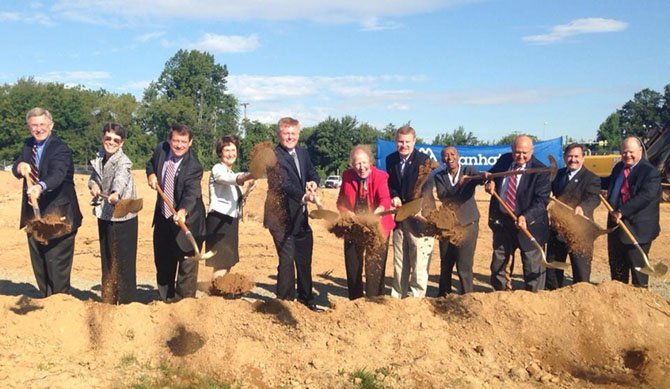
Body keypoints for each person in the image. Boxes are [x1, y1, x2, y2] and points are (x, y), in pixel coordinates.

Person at [12, 107, 83, 297]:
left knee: (56, 265)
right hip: (34, 217)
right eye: (34, 125)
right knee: (40, 264)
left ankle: (60, 307)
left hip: (58, 216)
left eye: (42, 124)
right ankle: (46, 304)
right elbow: (17, 165)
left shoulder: (60, 148)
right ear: (29, 127)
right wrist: (19, 166)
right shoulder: (28, 145)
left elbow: (58, 175)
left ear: (50, 125)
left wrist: (39, 186)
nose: (38, 129)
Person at [263, 117, 321, 311]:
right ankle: (284, 303)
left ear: (298, 134)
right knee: (287, 258)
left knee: (304, 258)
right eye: (286, 133)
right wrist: (304, 197)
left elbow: (312, 172)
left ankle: (306, 299)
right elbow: (282, 183)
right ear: (279, 134)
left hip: (300, 216)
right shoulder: (272, 156)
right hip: (280, 216)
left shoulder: (303, 153)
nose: (290, 137)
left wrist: (314, 182)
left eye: (293, 133)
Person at [146, 124, 206, 302]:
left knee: (187, 264)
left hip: (188, 219)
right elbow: (150, 164)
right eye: (176, 141)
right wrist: (151, 174)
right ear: (169, 140)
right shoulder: (161, 149)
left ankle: (183, 305)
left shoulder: (194, 166)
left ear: (190, 142)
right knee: (163, 262)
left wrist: (182, 211)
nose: (179, 145)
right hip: (163, 217)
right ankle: (166, 301)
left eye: (184, 142)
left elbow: (192, 193)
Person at [485, 135, 550, 292]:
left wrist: (525, 217)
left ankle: (533, 301)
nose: (520, 156)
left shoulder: (540, 170)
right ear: (512, 150)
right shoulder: (505, 160)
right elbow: (492, 175)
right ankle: (501, 296)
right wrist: (490, 182)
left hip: (529, 225)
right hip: (503, 223)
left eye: (524, 153)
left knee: (532, 267)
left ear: (532, 151)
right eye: (517, 152)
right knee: (499, 264)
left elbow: (542, 201)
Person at [336, 145, 395, 299]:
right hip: (354, 226)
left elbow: (385, 199)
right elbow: (340, 202)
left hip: (378, 226)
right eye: (357, 164)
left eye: (364, 163)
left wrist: (378, 212)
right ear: (352, 164)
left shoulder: (380, 176)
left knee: (374, 267)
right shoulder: (347, 176)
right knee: (353, 265)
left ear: (370, 161)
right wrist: (346, 212)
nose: (361, 167)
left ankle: (374, 301)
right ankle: (355, 301)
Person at [88, 123, 139, 304]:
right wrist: (94, 185)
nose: (111, 142)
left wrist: (116, 193)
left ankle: (126, 304)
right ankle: (108, 299)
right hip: (105, 215)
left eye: (116, 140)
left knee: (124, 263)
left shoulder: (123, 161)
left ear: (122, 143)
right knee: (108, 259)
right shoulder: (99, 157)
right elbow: (94, 178)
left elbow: (121, 178)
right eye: (108, 138)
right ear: (103, 138)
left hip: (123, 217)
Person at [605, 136, 661, 287]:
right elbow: (608, 182)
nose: (627, 155)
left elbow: (646, 196)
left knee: (638, 274)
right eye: (624, 152)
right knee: (617, 272)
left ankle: (639, 303)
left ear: (640, 151)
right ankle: (619, 302)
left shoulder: (650, 172)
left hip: (637, 230)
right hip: (616, 227)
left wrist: (622, 210)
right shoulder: (619, 168)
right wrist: (588, 179)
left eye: (631, 152)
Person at [385, 125, 435, 298]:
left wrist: (419, 206)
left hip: (419, 218)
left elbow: (428, 185)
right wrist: (394, 195)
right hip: (400, 216)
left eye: (407, 142)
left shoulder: (424, 160)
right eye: (400, 141)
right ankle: (397, 295)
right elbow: (390, 184)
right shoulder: (391, 159)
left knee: (419, 261)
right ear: (395, 142)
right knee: (399, 260)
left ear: (414, 141)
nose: (403, 145)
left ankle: (416, 298)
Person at [545, 143, 600, 290]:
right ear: (564, 158)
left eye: (576, 156)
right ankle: (553, 298)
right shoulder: (557, 175)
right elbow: (546, 192)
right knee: (553, 271)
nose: (573, 159)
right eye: (570, 156)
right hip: (558, 229)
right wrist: (547, 199)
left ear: (583, 158)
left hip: (580, 232)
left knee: (581, 272)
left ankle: (582, 302)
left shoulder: (591, 178)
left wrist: (583, 207)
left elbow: (593, 198)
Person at [205, 135, 254, 280]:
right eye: (227, 150)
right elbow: (231, 179)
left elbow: (234, 199)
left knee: (228, 261)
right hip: (218, 220)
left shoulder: (231, 171)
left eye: (233, 150)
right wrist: (249, 175)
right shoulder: (218, 169)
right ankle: (216, 293)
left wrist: (247, 191)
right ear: (220, 152)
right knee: (221, 261)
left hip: (230, 221)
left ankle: (221, 289)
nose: (231, 153)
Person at [433, 146, 480, 296]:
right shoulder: (439, 176)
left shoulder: (469, 171)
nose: (450, 158)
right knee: (446, 263)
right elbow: (444, 196)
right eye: (446, 156)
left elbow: (480, 178)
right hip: (447, 225)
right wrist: (459, 185)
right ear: (442, 159)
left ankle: (467, 296)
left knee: (464, 265)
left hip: (468, 224)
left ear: (458, 156)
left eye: (453, 154)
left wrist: (487, 178)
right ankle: (443, 296)